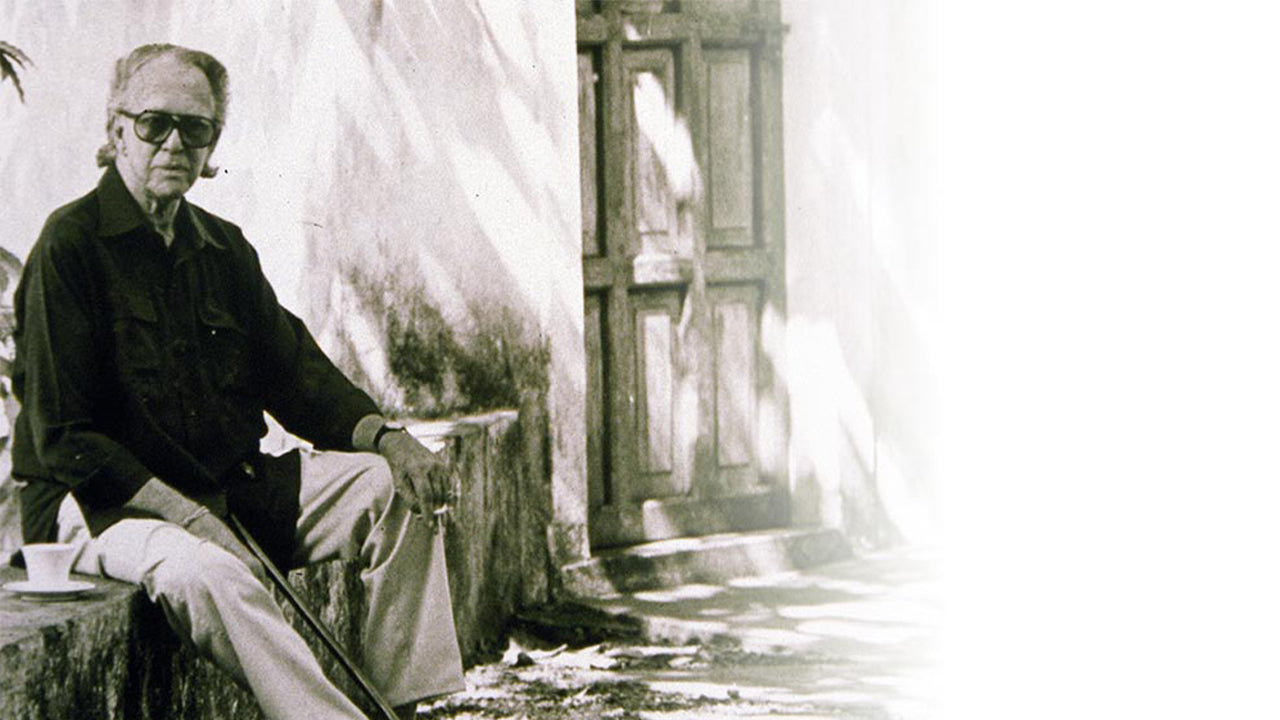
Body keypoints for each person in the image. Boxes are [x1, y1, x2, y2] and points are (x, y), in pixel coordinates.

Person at [8, 43, 464, 720]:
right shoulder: (68, 246)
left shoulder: (222, 247)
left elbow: (298, 375)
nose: (173, 143)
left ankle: (406, 704)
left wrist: (389, 440)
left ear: (212, 145)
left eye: (195, 129)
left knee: (396, 487)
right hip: (103, 507)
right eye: (154, 123)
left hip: (224, 490)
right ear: (116, 131)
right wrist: (194, 520)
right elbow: (67, 439)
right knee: (210, 572)